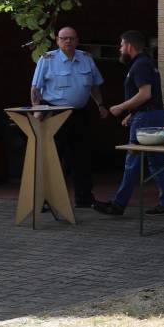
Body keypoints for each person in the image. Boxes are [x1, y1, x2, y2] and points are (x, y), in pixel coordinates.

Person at [94, 30, 164, 216]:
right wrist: (132, 114)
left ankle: (118, 205)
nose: (120, 48)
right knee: (156, 162)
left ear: (129, 46)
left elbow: (145, 94)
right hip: (152, 115)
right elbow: (150, 98)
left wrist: (121, 107)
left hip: (146, 119)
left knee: (132, 161)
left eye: (121, 45)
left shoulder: (140, 65)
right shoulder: (146, 63)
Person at [30, 26, 107, 209]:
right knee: (52, 157)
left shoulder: (86, 58)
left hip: (79, 114)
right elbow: (35, 88)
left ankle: (84, 198)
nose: (68, 41)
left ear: (77, 40)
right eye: (64, 38)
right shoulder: (47, 59)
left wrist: (100, 104)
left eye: (71, 38)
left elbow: (94, 86)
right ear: (57, 40)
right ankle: (45, 199)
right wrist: (37, 110)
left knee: (82, 157)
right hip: (55, 113)